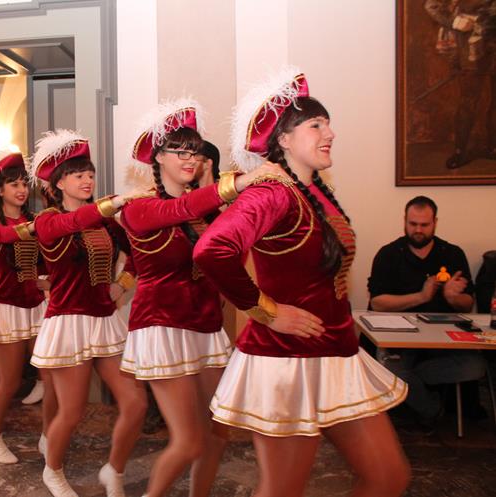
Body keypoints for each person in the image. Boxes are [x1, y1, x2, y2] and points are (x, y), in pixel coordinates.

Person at [193, 67, 410, 497]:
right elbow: (211, 250)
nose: (330, 133)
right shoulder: (272, 192)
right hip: (287, 364)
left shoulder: (314, 191)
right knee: (282, 490)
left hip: (336, 356)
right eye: (316, 125)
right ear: (284, 139)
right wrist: (267, 312)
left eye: (328, 123)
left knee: (388, 478)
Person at [119, 99, 281, 497]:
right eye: (179, 151)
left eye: (194, 151)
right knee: (188, 441)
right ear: (158, 157)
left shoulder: (206, 210)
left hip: (206, 325)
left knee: (216, 432)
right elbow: (179, 207)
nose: (189, 159)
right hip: (162, 326)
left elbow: (229, 256)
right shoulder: (139, 208)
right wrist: (238, 183)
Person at [28, 130, 147, 497]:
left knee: (135, 402)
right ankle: (53, 471)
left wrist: (122, 284)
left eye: (91, 174)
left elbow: (137, 254)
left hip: (105, 321)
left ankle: (114, 470)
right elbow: (71, 223)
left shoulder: (107, 222)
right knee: (73, 411)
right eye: (78, 175)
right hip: (68, 322)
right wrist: (114, 203)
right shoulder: (47, 220)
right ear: (58, 183)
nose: (87, 180)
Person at [368, 195, 487, 425]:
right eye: (413, 224)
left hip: (444, 343)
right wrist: (422, 296)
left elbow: (467, 304)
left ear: (435, 223)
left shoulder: (452, 253)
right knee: (388, 368)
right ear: (404, 221)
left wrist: (453, 297)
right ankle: (432, 408)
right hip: (401, 341)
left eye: (424, 224)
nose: (418, 230)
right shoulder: (388, 254)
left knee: (475, 366)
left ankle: (413, 383)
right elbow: (377, 303)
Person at [0, 149, 50, 463]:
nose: (21, 189)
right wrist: (37, 227)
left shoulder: (33, 219)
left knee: (48, 374)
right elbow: (1, 236)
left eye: (24, 184)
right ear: (0, 190)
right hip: (6, 306)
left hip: (35, 304)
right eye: (14, 184)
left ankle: (49, 436)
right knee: (11, 380)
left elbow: (43, 260)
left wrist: (46, 281)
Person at [424, 0, 496, 169]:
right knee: (468, 101)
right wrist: (454, 21)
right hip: (471, 47)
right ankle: (460, 151)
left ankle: (493, 147)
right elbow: (431, 5)